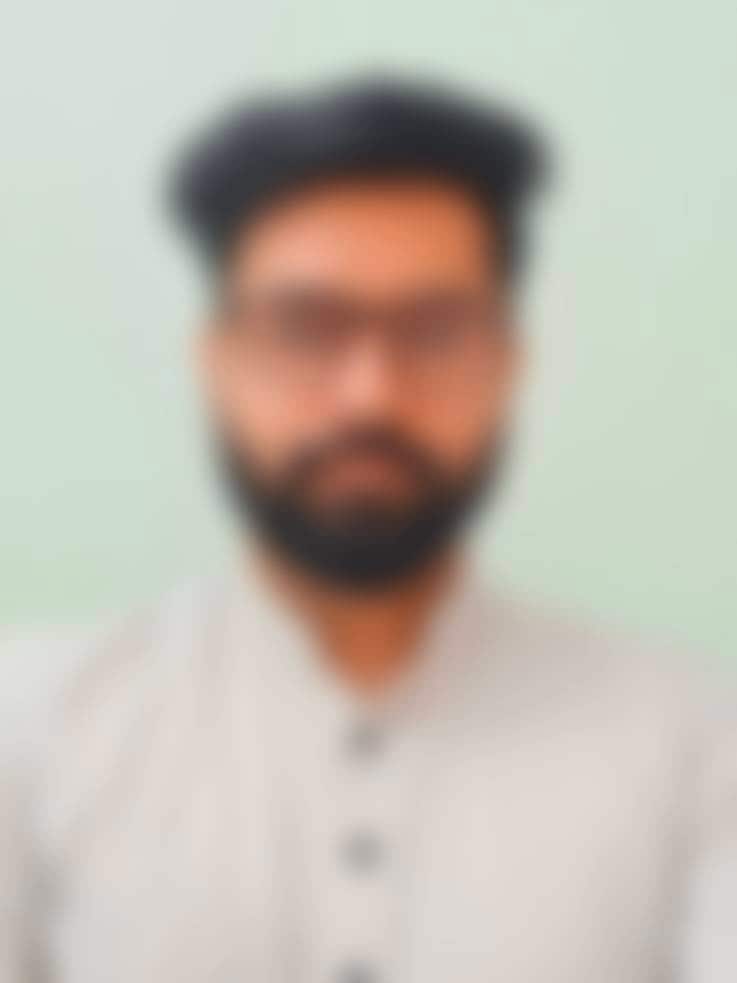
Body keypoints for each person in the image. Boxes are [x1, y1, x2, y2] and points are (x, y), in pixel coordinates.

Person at [1, 74, 735, 983]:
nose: (370, 393)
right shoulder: (31, 729)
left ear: (505, 362)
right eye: (306, 327)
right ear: (219, 360)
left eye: (434, 329)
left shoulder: (694, 746)